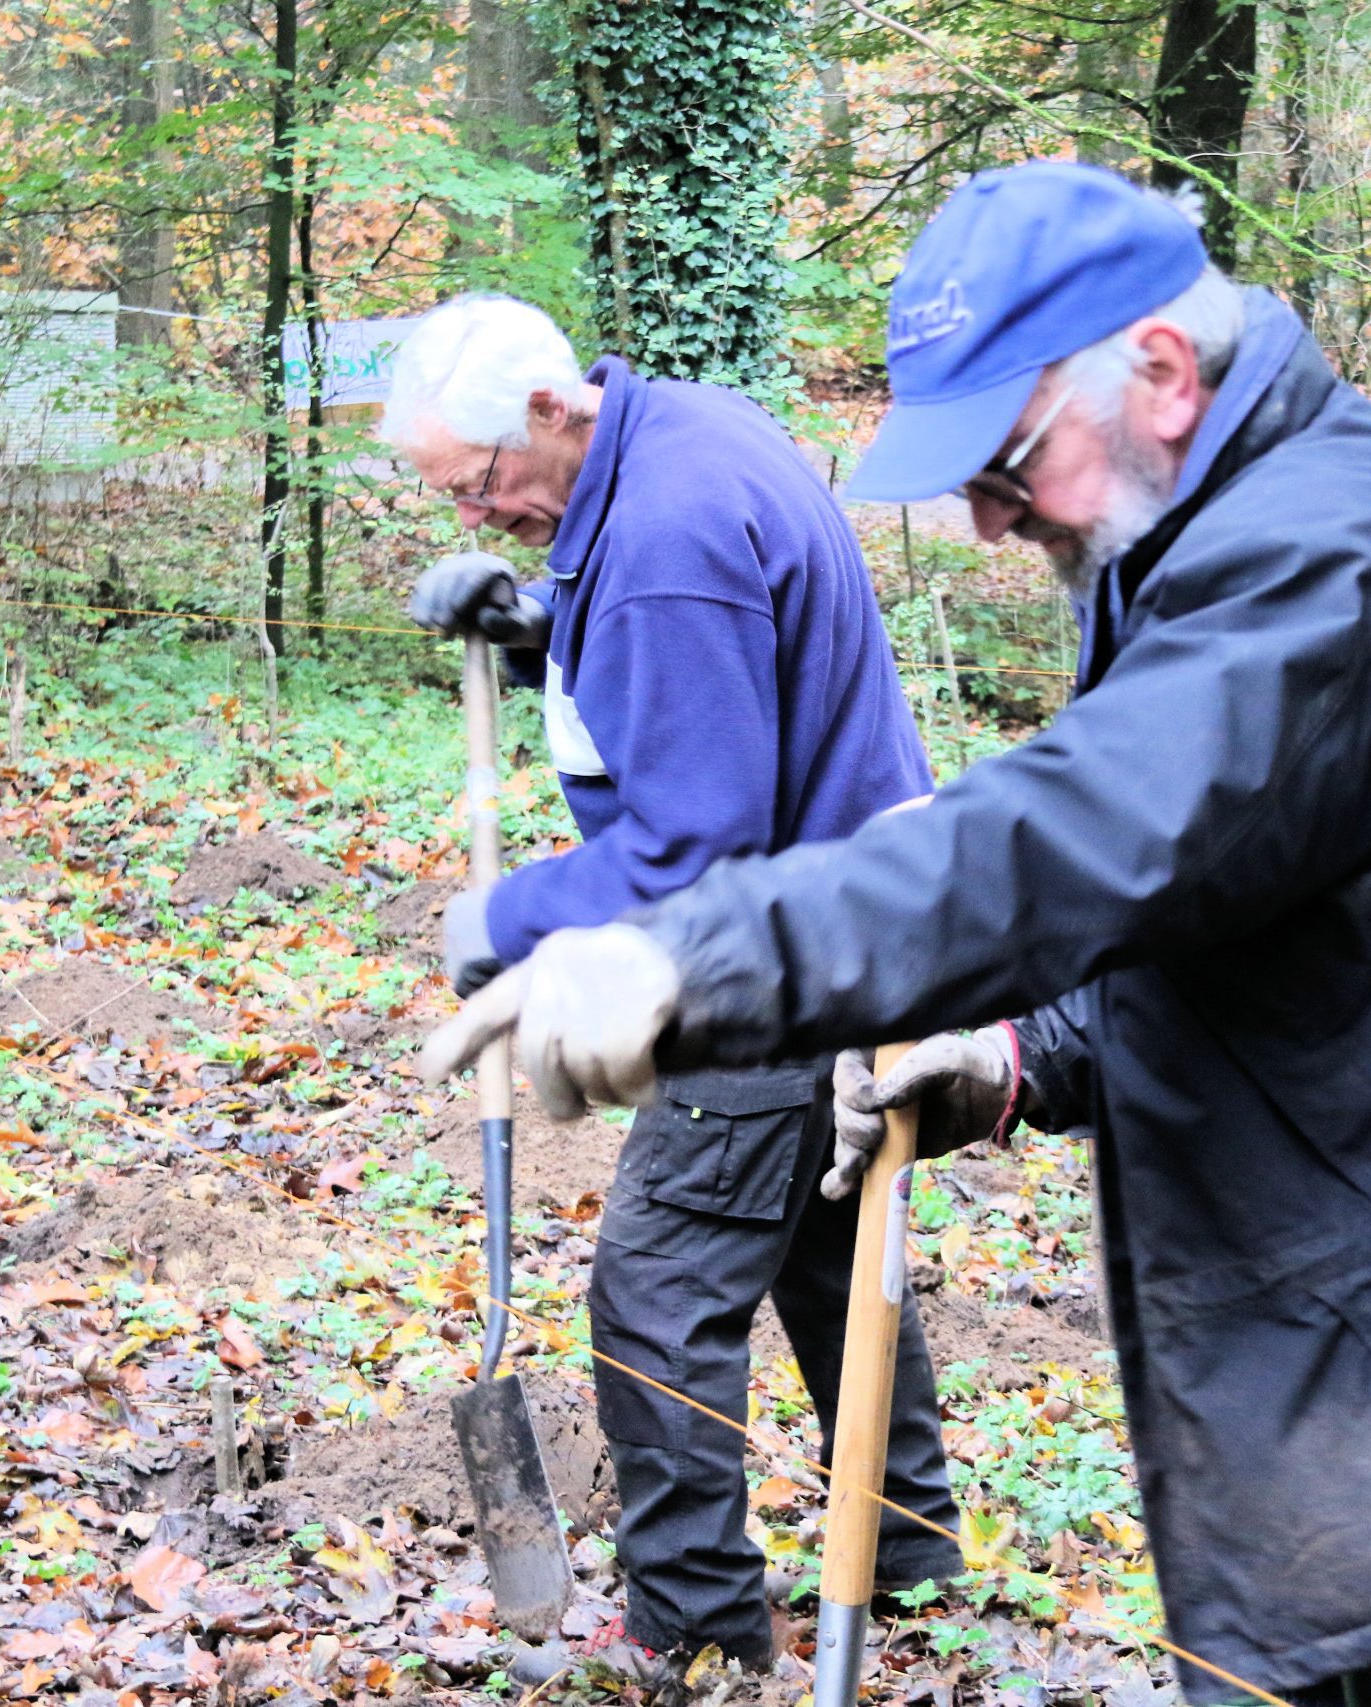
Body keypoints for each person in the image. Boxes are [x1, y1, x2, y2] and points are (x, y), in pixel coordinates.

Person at [422, 166, 1371, 1705]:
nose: (984, 515)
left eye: (1007, 462)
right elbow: (1224, 890)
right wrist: (1011, 1060)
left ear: (1160, 368)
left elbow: (1077, 837)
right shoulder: (1190, 531)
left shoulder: (1341, 558)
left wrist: (689, 958)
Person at [381, 295, 966, 1674]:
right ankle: (916, 1557)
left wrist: (510, 916)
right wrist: (537, 623)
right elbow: (698, 676)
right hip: (850, 913)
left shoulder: (656, 539)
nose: (482, 514)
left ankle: (696, 1628)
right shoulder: (679, 435)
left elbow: (695, 838)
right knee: (825, 1245)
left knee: (658, 1290)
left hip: (770, 953)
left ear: (547, 414)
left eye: (482, 488)